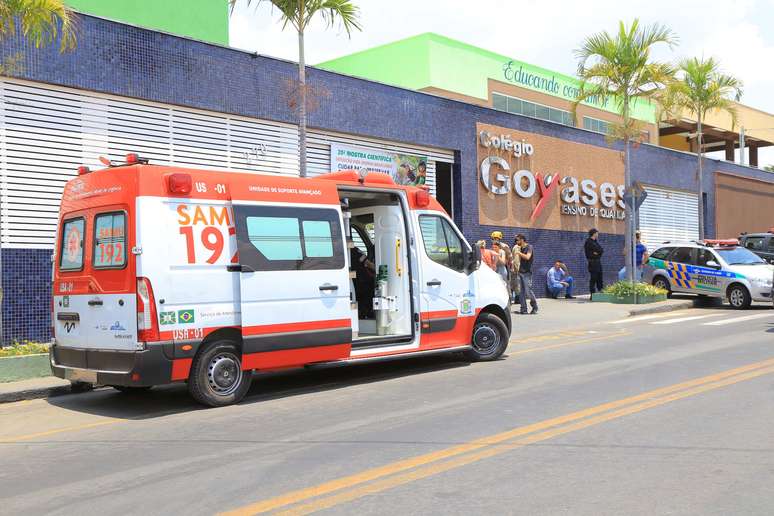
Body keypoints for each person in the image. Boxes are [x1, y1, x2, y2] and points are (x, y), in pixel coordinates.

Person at [515, 233, 538, 314]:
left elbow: (528, 257)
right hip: (520, 272)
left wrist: (519, 253)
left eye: (517, 240)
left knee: (528, 291)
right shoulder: (520, 248)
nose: (516, 241)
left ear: (522, 240)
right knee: (521, 292)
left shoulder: (529, 247)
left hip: (527, 273)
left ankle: (534, 307)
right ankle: (523, 309)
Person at [584, 228, 604, 293]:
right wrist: (596, 253)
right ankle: (592, 293)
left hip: (598, 262)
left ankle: (600, 290)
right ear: (594, 233)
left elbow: (601, 250)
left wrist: (597, 253)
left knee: (599, 277)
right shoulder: (588, 242)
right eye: (597, 233)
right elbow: (589, 254)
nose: (598, 234)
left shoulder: (595, 242)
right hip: (592, 262)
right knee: (593, 278)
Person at [509, 236, 522, 303]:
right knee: (517, 284)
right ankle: (517, 299)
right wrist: (518, 269)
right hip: (516, 269)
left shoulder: (515, 247)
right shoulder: (517, 247)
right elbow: (516, 260)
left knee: (512, 284)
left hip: (513, 269)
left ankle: (511, 299)